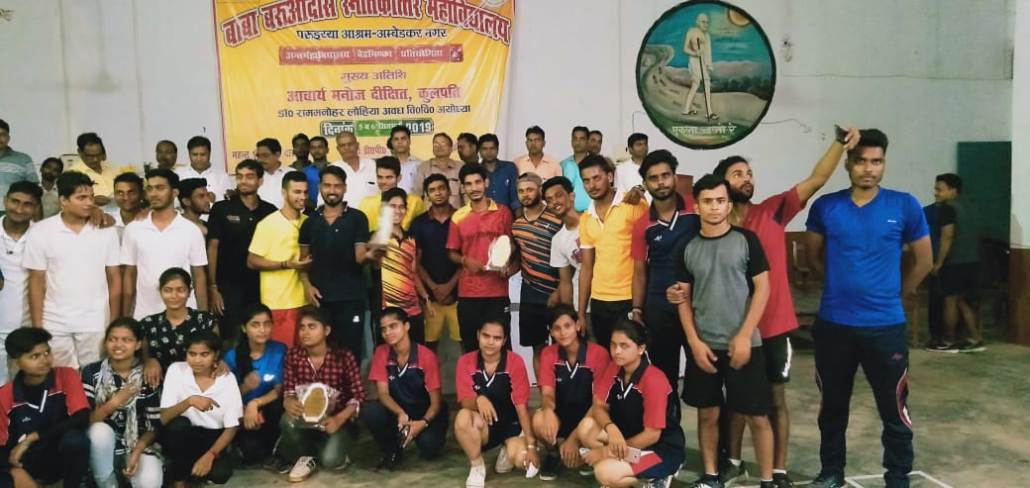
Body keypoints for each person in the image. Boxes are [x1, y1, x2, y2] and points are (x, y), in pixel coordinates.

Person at [681, 126, 859, 487]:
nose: (746, 178)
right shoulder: (710, 228)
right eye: (737, 174)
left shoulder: (774, 210)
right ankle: (732, 461)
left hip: (773, 327)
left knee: (774, 400)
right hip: (724, 330)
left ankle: (777, 470)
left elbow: (817, 179)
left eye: (749, 173)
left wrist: (839, 143)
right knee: (732, 403)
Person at [804, 129, 932, 488]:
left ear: (884, 163)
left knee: (894, 408)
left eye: (876, 161)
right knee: (832, 408)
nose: (868, 169)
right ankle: (831, 472)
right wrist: (840, 287)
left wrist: (896, 295)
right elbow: (813, 258)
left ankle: (898, 477)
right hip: (834, 326)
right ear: (848, 164)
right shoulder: (826, 207)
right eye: (861, 161)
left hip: (885, 327)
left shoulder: (904, 205)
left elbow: (924, 261)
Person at [672, 174, 774, 488]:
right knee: (708, 415)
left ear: (729, 205)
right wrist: (693, 342)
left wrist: (744, 335)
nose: (714, 207)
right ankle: (711, 475)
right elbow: (683, 298)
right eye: (707, 201)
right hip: (705, 347)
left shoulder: (747, 240)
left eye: (720, 200)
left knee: (757, 415)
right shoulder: (687, 247)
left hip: (745, 345)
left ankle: (767, 480)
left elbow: (762, 289)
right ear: (697, 206)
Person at [24, 171, 121, 368]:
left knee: (95, 377)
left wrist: (115, 322)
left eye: (91, 197)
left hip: (95, 320)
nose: (89, 203)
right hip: (54, 321)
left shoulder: (106, 231)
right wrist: (37, 326)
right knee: (60, 378)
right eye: (81, 198)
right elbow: (35, 281)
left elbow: (114, 279)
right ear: (63, 200)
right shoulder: (41, 231)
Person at [576, 319, 685, 488]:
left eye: (624, 346)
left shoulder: (654, 379)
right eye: (613, 345)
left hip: (659, 449)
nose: (617, 351)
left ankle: (658, 476)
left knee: (603, 472)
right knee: (586, 428)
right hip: (630, 441)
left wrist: (606, 452)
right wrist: (611, 428)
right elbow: (599, 406)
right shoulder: (614, 368)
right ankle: (623, 469)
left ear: (641, 349)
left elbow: (652, 435)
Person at [630, 150, 698, 398]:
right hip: (659, 309)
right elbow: (639, 272)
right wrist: (637, 310)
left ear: (675, 177)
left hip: (697, 305)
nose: (660, 182)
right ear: (645, 183)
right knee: (664, 380)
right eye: (653, 178)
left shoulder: (696, 209)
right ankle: (668, 421)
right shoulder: (642, 225)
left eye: (665, 175)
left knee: (702, 375)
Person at [299, 165, 378, 357]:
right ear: (320, 188)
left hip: (351, 298)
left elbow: (360, 256)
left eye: (337, 186)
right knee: (322, 354)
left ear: (345, 188)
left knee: (351, 354)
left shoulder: (358, 218)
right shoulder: (309, 222)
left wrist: (373, 254)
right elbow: (303, 262)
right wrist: (307, 286)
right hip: (320, 300)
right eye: (327, 185)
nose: (332, 190)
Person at [280, 307, 365, 482]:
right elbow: (289, 390)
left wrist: (339, 419)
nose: (305, 332)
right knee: (285, 421)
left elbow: (359, 396)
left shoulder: (343, 356)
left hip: (336, 420)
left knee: (331, 461)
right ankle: (308, 455)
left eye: (312, 327)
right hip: (306, 418)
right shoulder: (293, 355)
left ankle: (333, 447)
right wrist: (288, 401)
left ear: (326, 330)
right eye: (302, 327)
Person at [0, 328, 90, 488]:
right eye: (35, 356)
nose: (45, 360)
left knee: (75, 440)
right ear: (16, 361)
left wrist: (33, 437)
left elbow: (82, 417)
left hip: (60, 458)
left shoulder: (66, 375)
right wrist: (15, 472)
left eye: (47, 353)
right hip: (27, 465)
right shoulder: (5, 395)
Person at [454, 319, 539, 487]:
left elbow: (521, 406)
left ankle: (507, 447)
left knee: (522, 461)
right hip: (485, 425)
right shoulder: (465, 361)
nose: (491, 342)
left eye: (497, 338)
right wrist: (479, 399)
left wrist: (531, 446)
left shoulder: (515, 361)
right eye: (486, 336)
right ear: (478, 335)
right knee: (463, 417)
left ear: (504, 340)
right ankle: (477, 466)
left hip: (511, 425)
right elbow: (464, 402)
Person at [362, 308, 448, 470]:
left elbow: (436, 403)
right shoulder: (381, 352)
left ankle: (422, 435)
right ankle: (392, 450)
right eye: (384, 329)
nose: (388, 333)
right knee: (371, 411)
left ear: (406, 326)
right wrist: (400, 413)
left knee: (429, 448)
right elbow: (383, 394)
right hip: (398, 410)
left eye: (393, 326)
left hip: (424, 412)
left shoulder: (426, 356)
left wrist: (422, 423)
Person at [532, 305, 610, 481]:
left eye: (567, 326)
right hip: (562, 415)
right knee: (539, 419)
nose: (563, 332)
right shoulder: (548, 354)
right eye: (557, 328)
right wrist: (548, 410)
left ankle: (587, 453)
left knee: (588, 427)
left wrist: (573, 440)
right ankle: (554, 455)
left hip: (590, 416)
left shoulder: (599, 353)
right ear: (551, 332)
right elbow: (547, 394)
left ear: (578, 326)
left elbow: (599, 403)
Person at [82, 318, 163, 488]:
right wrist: (116, 401)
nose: (118, 345)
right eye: (112, 339)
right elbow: (87, 420)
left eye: (126, 340)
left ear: (138, 344)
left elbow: (154, 426)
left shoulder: (148, 373)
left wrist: (137, 451)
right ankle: (107, 484)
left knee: (150, 482)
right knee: (99, 431)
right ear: (105, 343)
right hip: (103, 446)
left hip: (139, 443)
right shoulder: (92, 372)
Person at [578, 154, 648, 348]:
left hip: (629, 298)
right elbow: (586, 268)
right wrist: (581, 313)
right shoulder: (586, 218)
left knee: (632, 357)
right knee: (604, 357)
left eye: (596, 178)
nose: (592, 185)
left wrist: (638, 308)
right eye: (586, 181)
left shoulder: (633, 205)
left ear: (609, 177)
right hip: (599, 301)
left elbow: (645, 255)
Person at [121, 169, 208, 319]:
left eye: (160, 188)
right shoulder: (133, 229)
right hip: (144, 315)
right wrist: (125, 318)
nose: (153, 193)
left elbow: (199, 276)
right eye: (150, 188)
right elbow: (129, 275)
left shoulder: (191, 230)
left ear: (174, 193)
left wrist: (204, 319)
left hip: (185, 317)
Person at [447, 163, 517, 352]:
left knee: (502, 348)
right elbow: (452, 252)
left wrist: (506, 264)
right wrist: (464, 260)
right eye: (468, 184)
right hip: (468, 293)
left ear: (486, 182)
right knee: (471, 347)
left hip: (497, 293)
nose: (474, 188)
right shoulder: (458, 217)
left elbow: (512, 245)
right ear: (463, 187)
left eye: (478, 182)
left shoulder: (503, 212)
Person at [159, 332, 241, 487]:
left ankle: (192, 473)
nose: (197, 360)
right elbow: (164, 418)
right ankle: (179, 481)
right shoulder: (176, 370)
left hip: (212, 436)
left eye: (204, 354)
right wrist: (190, 401)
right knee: (178, 426)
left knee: (220, 474)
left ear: (216, 355)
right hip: (183, 436)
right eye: (192, 354)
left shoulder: (227, 379)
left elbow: (232, 427)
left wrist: (210, 454)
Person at [207, 159, 277, 341]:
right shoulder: (221, 209)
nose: (243, 181)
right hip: (228, 287)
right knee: (232, 338)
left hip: (262, 286)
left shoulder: (270, 211)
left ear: (260, 181)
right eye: (239, 177)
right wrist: (213, 287)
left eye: (249, 176)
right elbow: (212, 248)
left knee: (260, 336)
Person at [249, 170, 310, 347]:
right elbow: (251, 261)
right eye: (297, 192)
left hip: (306, 300)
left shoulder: (309, 221)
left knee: (303, 356)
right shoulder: (268, 224)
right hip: (278, 302)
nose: (302, 197)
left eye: (305, 192)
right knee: (283, 355)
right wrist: (286, 264)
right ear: (284, 192)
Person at [511, 173, 562, 374]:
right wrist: (505, 269)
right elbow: (519, 258)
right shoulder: (516, 226)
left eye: (530, 189)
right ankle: (544, 392)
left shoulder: (557, 219)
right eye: (521, 191)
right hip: (530, 294)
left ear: (540, 190)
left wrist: (561, 290)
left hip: (557, 293)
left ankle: (561, 391)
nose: (525, 194)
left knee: (561, 347)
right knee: (537, 348)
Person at [223, 303, 286, 466]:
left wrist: (255, 404)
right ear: (244, 328)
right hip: (241, 413)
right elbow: (224, 397)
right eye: (255, 325)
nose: (262, 330)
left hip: (268, 409)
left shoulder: (279, 350)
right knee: (252, 453)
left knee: (277, 407)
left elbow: (279, 390)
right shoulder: (231, 357)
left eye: (267, 324)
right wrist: (245, 392)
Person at [932, 173, 984, 352]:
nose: (936, 193)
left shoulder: (947, 209)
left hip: (954, 262)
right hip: (972, 261)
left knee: (950, 301)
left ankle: (949, 341)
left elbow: (947, 236)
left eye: (940, 189)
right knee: (963, 301)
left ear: (953, 190)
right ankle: (975, 339)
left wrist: (939, 262)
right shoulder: (972, 207)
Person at [139, 268, 219, 385]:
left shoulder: (205, 320)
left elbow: (217, 354)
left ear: (189, 291)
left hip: (198, 383)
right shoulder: (148, 324)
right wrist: (149, 361)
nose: (174, 295)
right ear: (160, 291)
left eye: (180, 290)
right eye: (168, 290)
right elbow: (143, 358)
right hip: (159, 385)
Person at [410, 173, 461, 351]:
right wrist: (434, 288)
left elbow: (467, 257)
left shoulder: (462, 218)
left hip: (460, 295)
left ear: (449, 191)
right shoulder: (419, 223)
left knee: (467, 347)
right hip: (429, 299)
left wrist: (449, 286)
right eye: (432, 190)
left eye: (441, 188)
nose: (438, 193)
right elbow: (415, 262)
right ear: (427, 195)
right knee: (428, 350)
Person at [373, 188, 428, 343]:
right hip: (387, 311)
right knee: (388, 354)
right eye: (392, 207)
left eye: (401, 207)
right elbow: (375, 266)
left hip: (412, 309)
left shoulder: (412, 238)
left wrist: (425, 298)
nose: (397, 211)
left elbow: (413, 272)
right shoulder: (375, 237)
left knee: (416, 351)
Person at [0, 182, 39, 381]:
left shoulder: (43, 235)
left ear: (36, 208)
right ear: (5, 201)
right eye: (15, 201)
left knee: (22, 388)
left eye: (27, 204)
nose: (19, 209)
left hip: (28, 327)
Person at [358, 156, 426, 232]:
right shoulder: (366, 203)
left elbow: (423, 228)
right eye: (380, 177)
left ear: (399, 178)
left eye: (389, 177)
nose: (384, 182)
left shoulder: (415, 202)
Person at [543, 177, 582, 309]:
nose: (554, 202)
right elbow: (565, 283)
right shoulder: (558, 240)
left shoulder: (593, 220)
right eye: (549, 200)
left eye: (558, 195)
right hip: (582, 305)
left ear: (572, 196)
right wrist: (567, 313)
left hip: (612, 296)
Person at [67, 132, 120, 208]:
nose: (95, 159)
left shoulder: (112, 168)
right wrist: (92, 200)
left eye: (98, 155)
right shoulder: (72, 174)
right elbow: (68, 203)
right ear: (80, 152)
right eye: (90, 156)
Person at [412, 132, 464, 209]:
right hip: (430, 214)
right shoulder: (424, 167)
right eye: (436, 144)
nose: (439, 147)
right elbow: (417, 195)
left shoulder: (460, 167)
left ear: (450, 148)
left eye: (443, 143)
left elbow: (466, 195)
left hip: (455, 214)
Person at [176, 136, 232, 204]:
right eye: (195, 155)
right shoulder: (178, 174)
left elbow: (230, 201)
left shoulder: (222, 176)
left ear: (209, 154)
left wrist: (217, 198)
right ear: (189, 154)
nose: (199, 159)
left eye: (202, 155)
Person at [682, 13, 716, 120]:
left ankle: (687, 109)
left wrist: (709, 65)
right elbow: (685, 48)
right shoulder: (691, 32)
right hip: (694, 61)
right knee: (702, 83)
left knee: (699, 84)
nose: (705, 24)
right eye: (703, 22)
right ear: (698, 22)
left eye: (707, 22)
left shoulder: (707, 35)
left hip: (703, 62)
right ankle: (709, 112)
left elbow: (708, 52)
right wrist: (694, 53)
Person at [333, 131, 377, 206]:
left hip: (372, 213)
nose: (347, 148)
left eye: (350, 144)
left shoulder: (373, 165)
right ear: (338, 149)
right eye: (342, 145)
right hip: (344, 213)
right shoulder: (332, 169)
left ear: (357, 145)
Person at [478, 133, 520, 210]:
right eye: (485, 149)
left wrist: (518, 217)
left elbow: (515, 198)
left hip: (507, 215)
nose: (489, 152)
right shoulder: (476, 171)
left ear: (497, 149)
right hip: (483, 215)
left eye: (492, 148)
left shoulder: (509, 168)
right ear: (479, 151)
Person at [0, 119, 38, 202]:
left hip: (15, 209)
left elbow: (33, 188)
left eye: (2, 134)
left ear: (8, 138)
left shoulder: (24, 159)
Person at [558, 126, 593, 213]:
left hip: (593, 213)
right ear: (571, 141)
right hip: (569, 214)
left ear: (588, 141)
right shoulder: (562, 165)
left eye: (582, 139)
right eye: (575, 138)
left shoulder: (595, 163)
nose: (578, 142)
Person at [110, 172, 146, 239]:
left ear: (142, 194)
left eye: (131, 192)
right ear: (114, 195)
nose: (126, 197)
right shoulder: (106, 222)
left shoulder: (154, 222)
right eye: (120, 193)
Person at [298, 135, 331, 207]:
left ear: (327, 150)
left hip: (334, 207)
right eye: (313, 148)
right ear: (309, 150)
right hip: (312, 209)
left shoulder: (335, 168)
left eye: (320, 147)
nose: (316, 150)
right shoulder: (304, 172)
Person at [614, 133, 649, 198]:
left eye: (645, 144)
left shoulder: (654, 166)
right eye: (639, 144)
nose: (644, 147)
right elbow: (620, 195)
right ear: (630, 149)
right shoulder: (621, 169)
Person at [255, 138, 287, 208]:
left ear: (277, 155)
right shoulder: (255, 176)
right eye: (258, 156)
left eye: (265, 155)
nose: (260, 160)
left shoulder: (291, 173)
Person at [388, 125, 421, 193]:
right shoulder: (386, 165)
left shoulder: (419, 165)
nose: (400, 142)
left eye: (403, 138)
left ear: (409, 141)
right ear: (392, 142)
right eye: (396, 139)